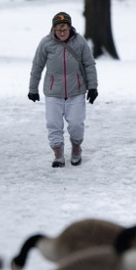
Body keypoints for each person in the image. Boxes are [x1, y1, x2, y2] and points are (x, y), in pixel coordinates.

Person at [28, 11, 98, 167]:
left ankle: (76, 148)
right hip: (53, 92)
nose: (62, 32)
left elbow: (89, 64)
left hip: (76, 91)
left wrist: (93, 87)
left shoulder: (79, 42)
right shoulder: (45, 43)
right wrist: (33, 88)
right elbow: (37, 66)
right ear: (53, 29)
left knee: (76, 123)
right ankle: (58, 154)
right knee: (53, 123)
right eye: (59, 29)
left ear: (70, 28)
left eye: (64, 29)